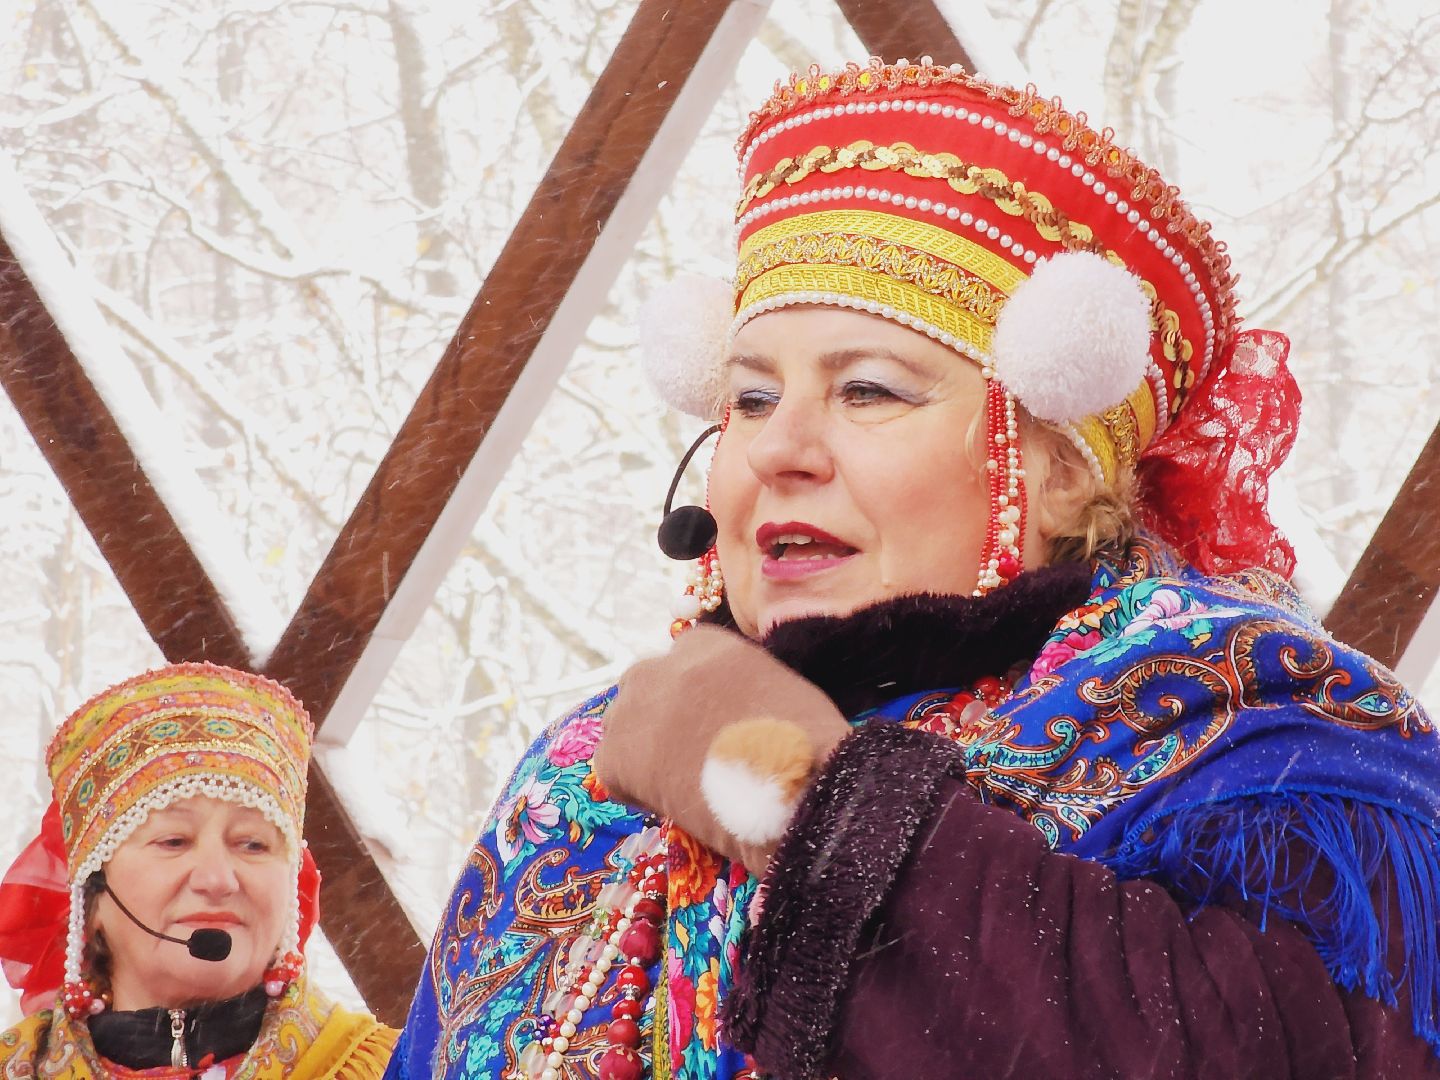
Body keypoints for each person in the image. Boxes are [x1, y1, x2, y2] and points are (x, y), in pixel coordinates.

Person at [386, 57, 1440, 1079]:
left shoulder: (1255, 741)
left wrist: (817, 812)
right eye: (750, 399)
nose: (774, 449)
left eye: (870, 392)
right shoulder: (578, 780)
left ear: (1062, 472)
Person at [0, 662, 398, 1078]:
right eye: (174, 842)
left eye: (253, 844)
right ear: (92, 896)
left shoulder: (393, 1069)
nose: (217, 880)